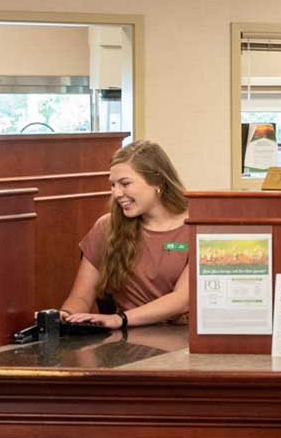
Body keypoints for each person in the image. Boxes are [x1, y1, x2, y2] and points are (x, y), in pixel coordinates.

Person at [59, 140, 192, 328]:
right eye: (113, 185)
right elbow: (80, 296)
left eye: (125, 183)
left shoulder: (198, 226)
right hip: (127, 338)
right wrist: (67, 315)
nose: (117, 193)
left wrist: (120, 319)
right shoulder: (106, 227)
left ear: (158, 181)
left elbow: (182, 299)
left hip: (183, 342)